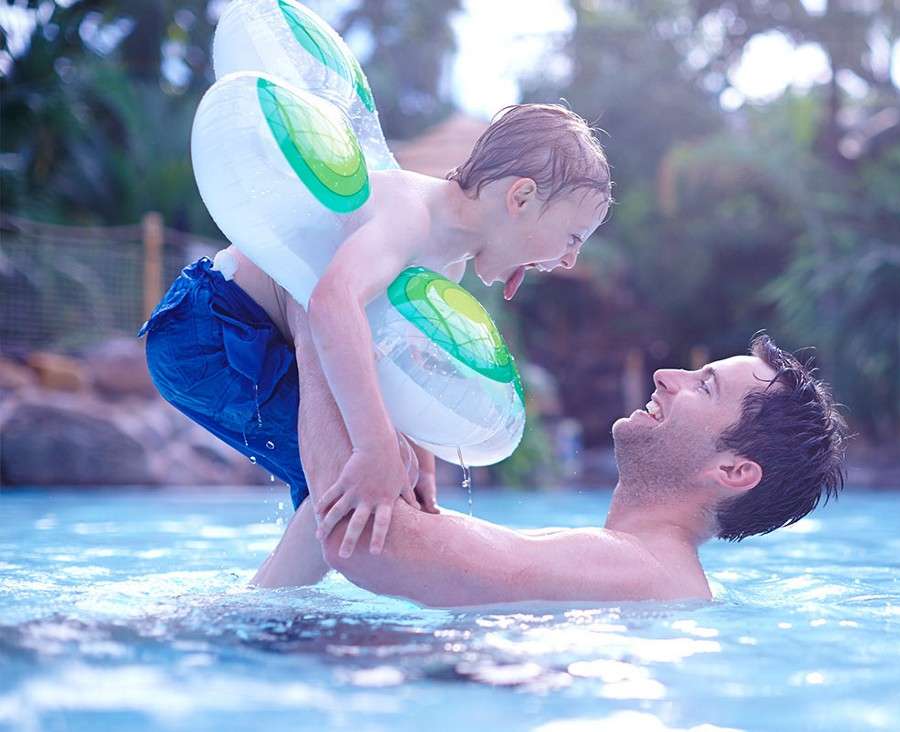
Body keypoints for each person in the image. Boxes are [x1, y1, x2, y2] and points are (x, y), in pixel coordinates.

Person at [140, 103, 612, 561]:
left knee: (366, 482)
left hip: (255, 333)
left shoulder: (447, 264)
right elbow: (333, 302)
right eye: (573, 238)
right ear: (522, 199)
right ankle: (267, 620)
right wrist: (374, 445)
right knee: (343, 482)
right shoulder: (411, 212)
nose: (570, 259)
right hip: (209, 328)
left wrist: (421, 458)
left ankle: (274, 610)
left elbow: (399, 366)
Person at [252, 320, 848, 606]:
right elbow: (358, 525)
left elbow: (365, 541)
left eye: (704, 386)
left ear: (733, 471)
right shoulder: (626, 569)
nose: (668, 378)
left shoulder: (640, 571)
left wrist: (321, 320)